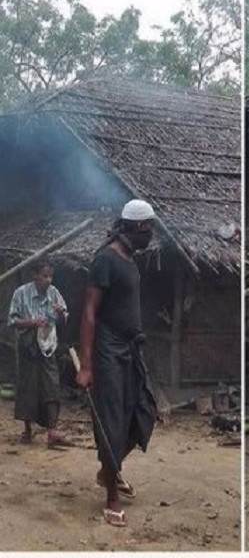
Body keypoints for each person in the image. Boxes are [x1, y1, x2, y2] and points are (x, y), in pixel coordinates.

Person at [77, 199, 159, 527]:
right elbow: (89, 313)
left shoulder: (130, 259)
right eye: (149, 229)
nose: (151, 235)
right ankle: (111, 498)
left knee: (144, 412)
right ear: (137, 227)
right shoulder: (105, 259)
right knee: (111, 422)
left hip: (131, 350)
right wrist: (86, 365)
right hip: (108, 352)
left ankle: (106, 470)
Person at [7, 260, 72, 447]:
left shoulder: (54, 293)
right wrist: (32, 322)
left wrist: (60, 313)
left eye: (51, 276)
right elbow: (12, 321)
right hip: (27, 346)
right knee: (28, 386)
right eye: (45, 276)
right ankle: (27, 430)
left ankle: (52, 431)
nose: (48, 280)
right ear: (35, 275)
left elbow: (64, 320)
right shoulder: (21, 293)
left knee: (52, 384)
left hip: (47, 346)